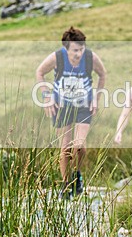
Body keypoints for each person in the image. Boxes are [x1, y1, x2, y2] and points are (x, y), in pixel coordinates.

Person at [35, 27, 107, 198]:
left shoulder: (90, 57)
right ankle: (67, 185)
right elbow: (40, 72)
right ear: (66, 48)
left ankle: (77, 174)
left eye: (81, 49)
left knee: (79, 146)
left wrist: (97, 97)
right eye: (75, 50)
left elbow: (102, 74)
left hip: (84, 105)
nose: (79, 53)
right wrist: (47, 97)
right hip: (62, 105)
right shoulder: (57, 57)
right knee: (66, 147)